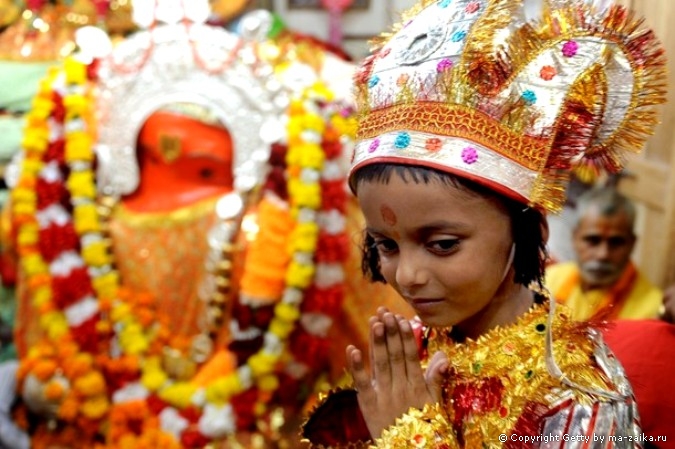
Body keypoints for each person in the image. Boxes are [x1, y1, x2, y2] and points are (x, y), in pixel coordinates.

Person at [300, 0, 667, 446]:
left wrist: (412, 436)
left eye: (442, 244)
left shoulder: (576, 394)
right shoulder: (411, 347)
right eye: (386, 245)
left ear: (529, 231)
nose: (408, 277)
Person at [545, 185, 663, 321]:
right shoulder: (550, 280)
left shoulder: (652, 310)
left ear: (632, 244)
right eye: (593, 240)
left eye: (616, 242)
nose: (603, 254)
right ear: (575, 238)